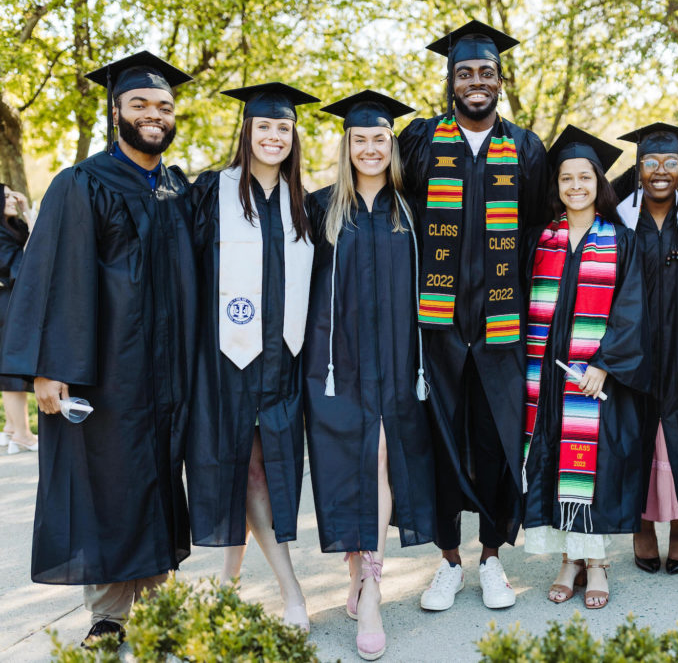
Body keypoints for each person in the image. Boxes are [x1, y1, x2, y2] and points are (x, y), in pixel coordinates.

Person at [0, 51, 197, 646]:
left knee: (160, 477)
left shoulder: (175, 184)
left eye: (163, 106)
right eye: (139, 104)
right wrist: (49, 370)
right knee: (109, 483)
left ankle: (160, 604)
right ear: (117, 111)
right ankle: (109, 616)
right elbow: (54, 275)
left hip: (166, 369)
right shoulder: (80, 182)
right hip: (104, 371)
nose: (153, 115)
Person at [398, 19, 548, 611]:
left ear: (500, 80)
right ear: (451, 81)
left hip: (501, 326)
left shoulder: (527, 147)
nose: (476, 82)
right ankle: (447, 561)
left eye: (486, 72)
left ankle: (490, 557)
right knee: (439, 442)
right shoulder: (419, 140)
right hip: (434, 325)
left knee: (494, 442)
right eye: (465, 73)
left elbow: (540, 227)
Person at [305, 90, 435, 661]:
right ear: (346, 146)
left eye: (379, 138)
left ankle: (374, 584)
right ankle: (355, 571)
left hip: (400, 362)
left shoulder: (414, 211)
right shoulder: (318, 208)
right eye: (359, 139)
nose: (369, 148)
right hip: (335, 364)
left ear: (392, 144)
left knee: (382, 455)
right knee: (347, 462)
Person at [187, 83, 318, 632]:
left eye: (283, 128)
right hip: (224, 364)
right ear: (247, 132)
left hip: (282, 364)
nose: (273, 136)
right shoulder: (208, 192)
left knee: (261, 473)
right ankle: (290, 592)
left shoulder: (304, 205)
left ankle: (228, 583)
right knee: (241, 472)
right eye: (264, 127)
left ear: (293, 136)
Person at [521, 125, 649, 609]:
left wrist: (605, 362)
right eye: (566, 178)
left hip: (590, 378)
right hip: (545, 376)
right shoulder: (538, 240)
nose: (575, 186)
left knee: (590, 467)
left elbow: (632, 308)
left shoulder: (620, 240)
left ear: (599, 183)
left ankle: (594, 562)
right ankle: (568, 560)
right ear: (556, 186)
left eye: (584, 178)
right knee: (553, 461)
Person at [614, 123, 678, 575]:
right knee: (636, 431)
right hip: (633, 342)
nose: (661, 171)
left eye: (671, 163)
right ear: (638, 168)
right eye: (651, 163)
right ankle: (642, 525)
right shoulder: (618, 215)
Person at [0, 184, 36, 454]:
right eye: (7, 195)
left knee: (8, 365)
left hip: (10, 301)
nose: (13, 198)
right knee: (11, 369)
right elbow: (25, 261)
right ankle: (23, 434)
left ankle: (12, 429)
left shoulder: (13, 227)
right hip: (6, 303)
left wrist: (26, 210)